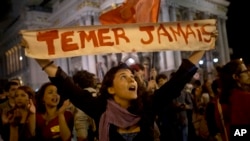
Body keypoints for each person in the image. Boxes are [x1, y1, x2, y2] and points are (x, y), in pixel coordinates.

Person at [34, 50, 205, 141]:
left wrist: (202, 47)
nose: (132, 81)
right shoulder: (99, 109)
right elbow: (67, 86)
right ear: (110, 89)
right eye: (124, 77)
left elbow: (177, 82)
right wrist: (40, 58)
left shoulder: (148, 105)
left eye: (133, 78)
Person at [219, 59, 250, 141]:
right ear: (235, 77)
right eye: (246, 71)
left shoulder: (224, 99)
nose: (249, 74)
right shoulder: (244, 98)